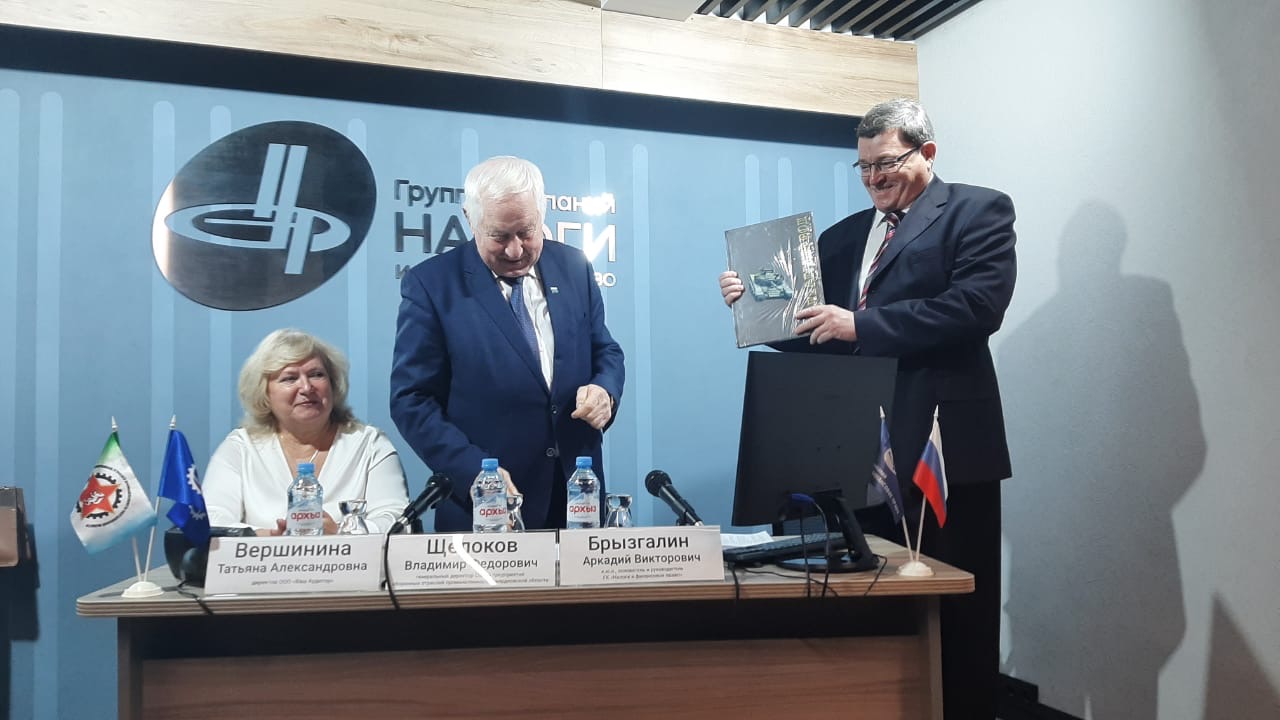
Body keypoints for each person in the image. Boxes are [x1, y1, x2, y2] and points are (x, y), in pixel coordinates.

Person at [719, 97, 1016, 719]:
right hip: (855, 448)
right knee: (866, 601)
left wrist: (863, 325)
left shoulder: (978, 210)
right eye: (864, 167)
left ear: (926, 153)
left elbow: (976, 308)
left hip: (941, 447)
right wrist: (752, 306)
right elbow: (815, 329)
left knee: (955, 607)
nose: (874, 178)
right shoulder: (845, 235)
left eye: (886, 163)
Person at [390, 155, 624, 532]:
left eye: (527, 232)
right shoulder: (431, 285)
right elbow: (411, 400)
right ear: (470, 219)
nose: (515, 250)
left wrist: (605, 390)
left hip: (577, 505)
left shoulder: (575, 266)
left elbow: (605, 350)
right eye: (499, 236)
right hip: (484, 511)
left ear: (542, 213)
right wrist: (474, 473)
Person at [204, 329, 410, 535]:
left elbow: (398, 520)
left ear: (333, 384)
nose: (306, 387)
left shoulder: (369, 445)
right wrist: (267, 537)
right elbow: (211, 520)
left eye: (316, 375)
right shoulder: (241, 448)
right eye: (289, 378)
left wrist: (341, 533)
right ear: (264, 393)